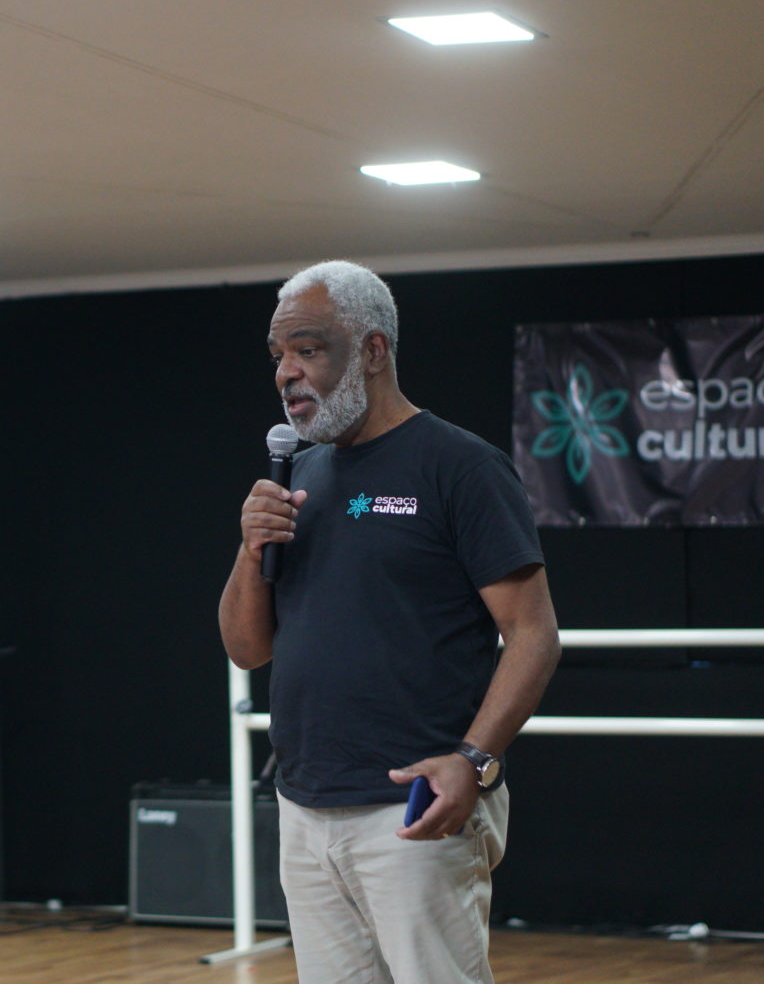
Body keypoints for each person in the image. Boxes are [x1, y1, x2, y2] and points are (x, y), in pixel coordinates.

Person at [218, 261, 561, 984]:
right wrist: (250, 550)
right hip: (306, 805)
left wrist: (473, 759)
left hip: (413, 804)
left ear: (373, 351)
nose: (286, 372)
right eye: (278, 354)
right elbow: (246, 649)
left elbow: (534, 635)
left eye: (308, 349)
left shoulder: (460, 467)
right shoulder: (299, 476)